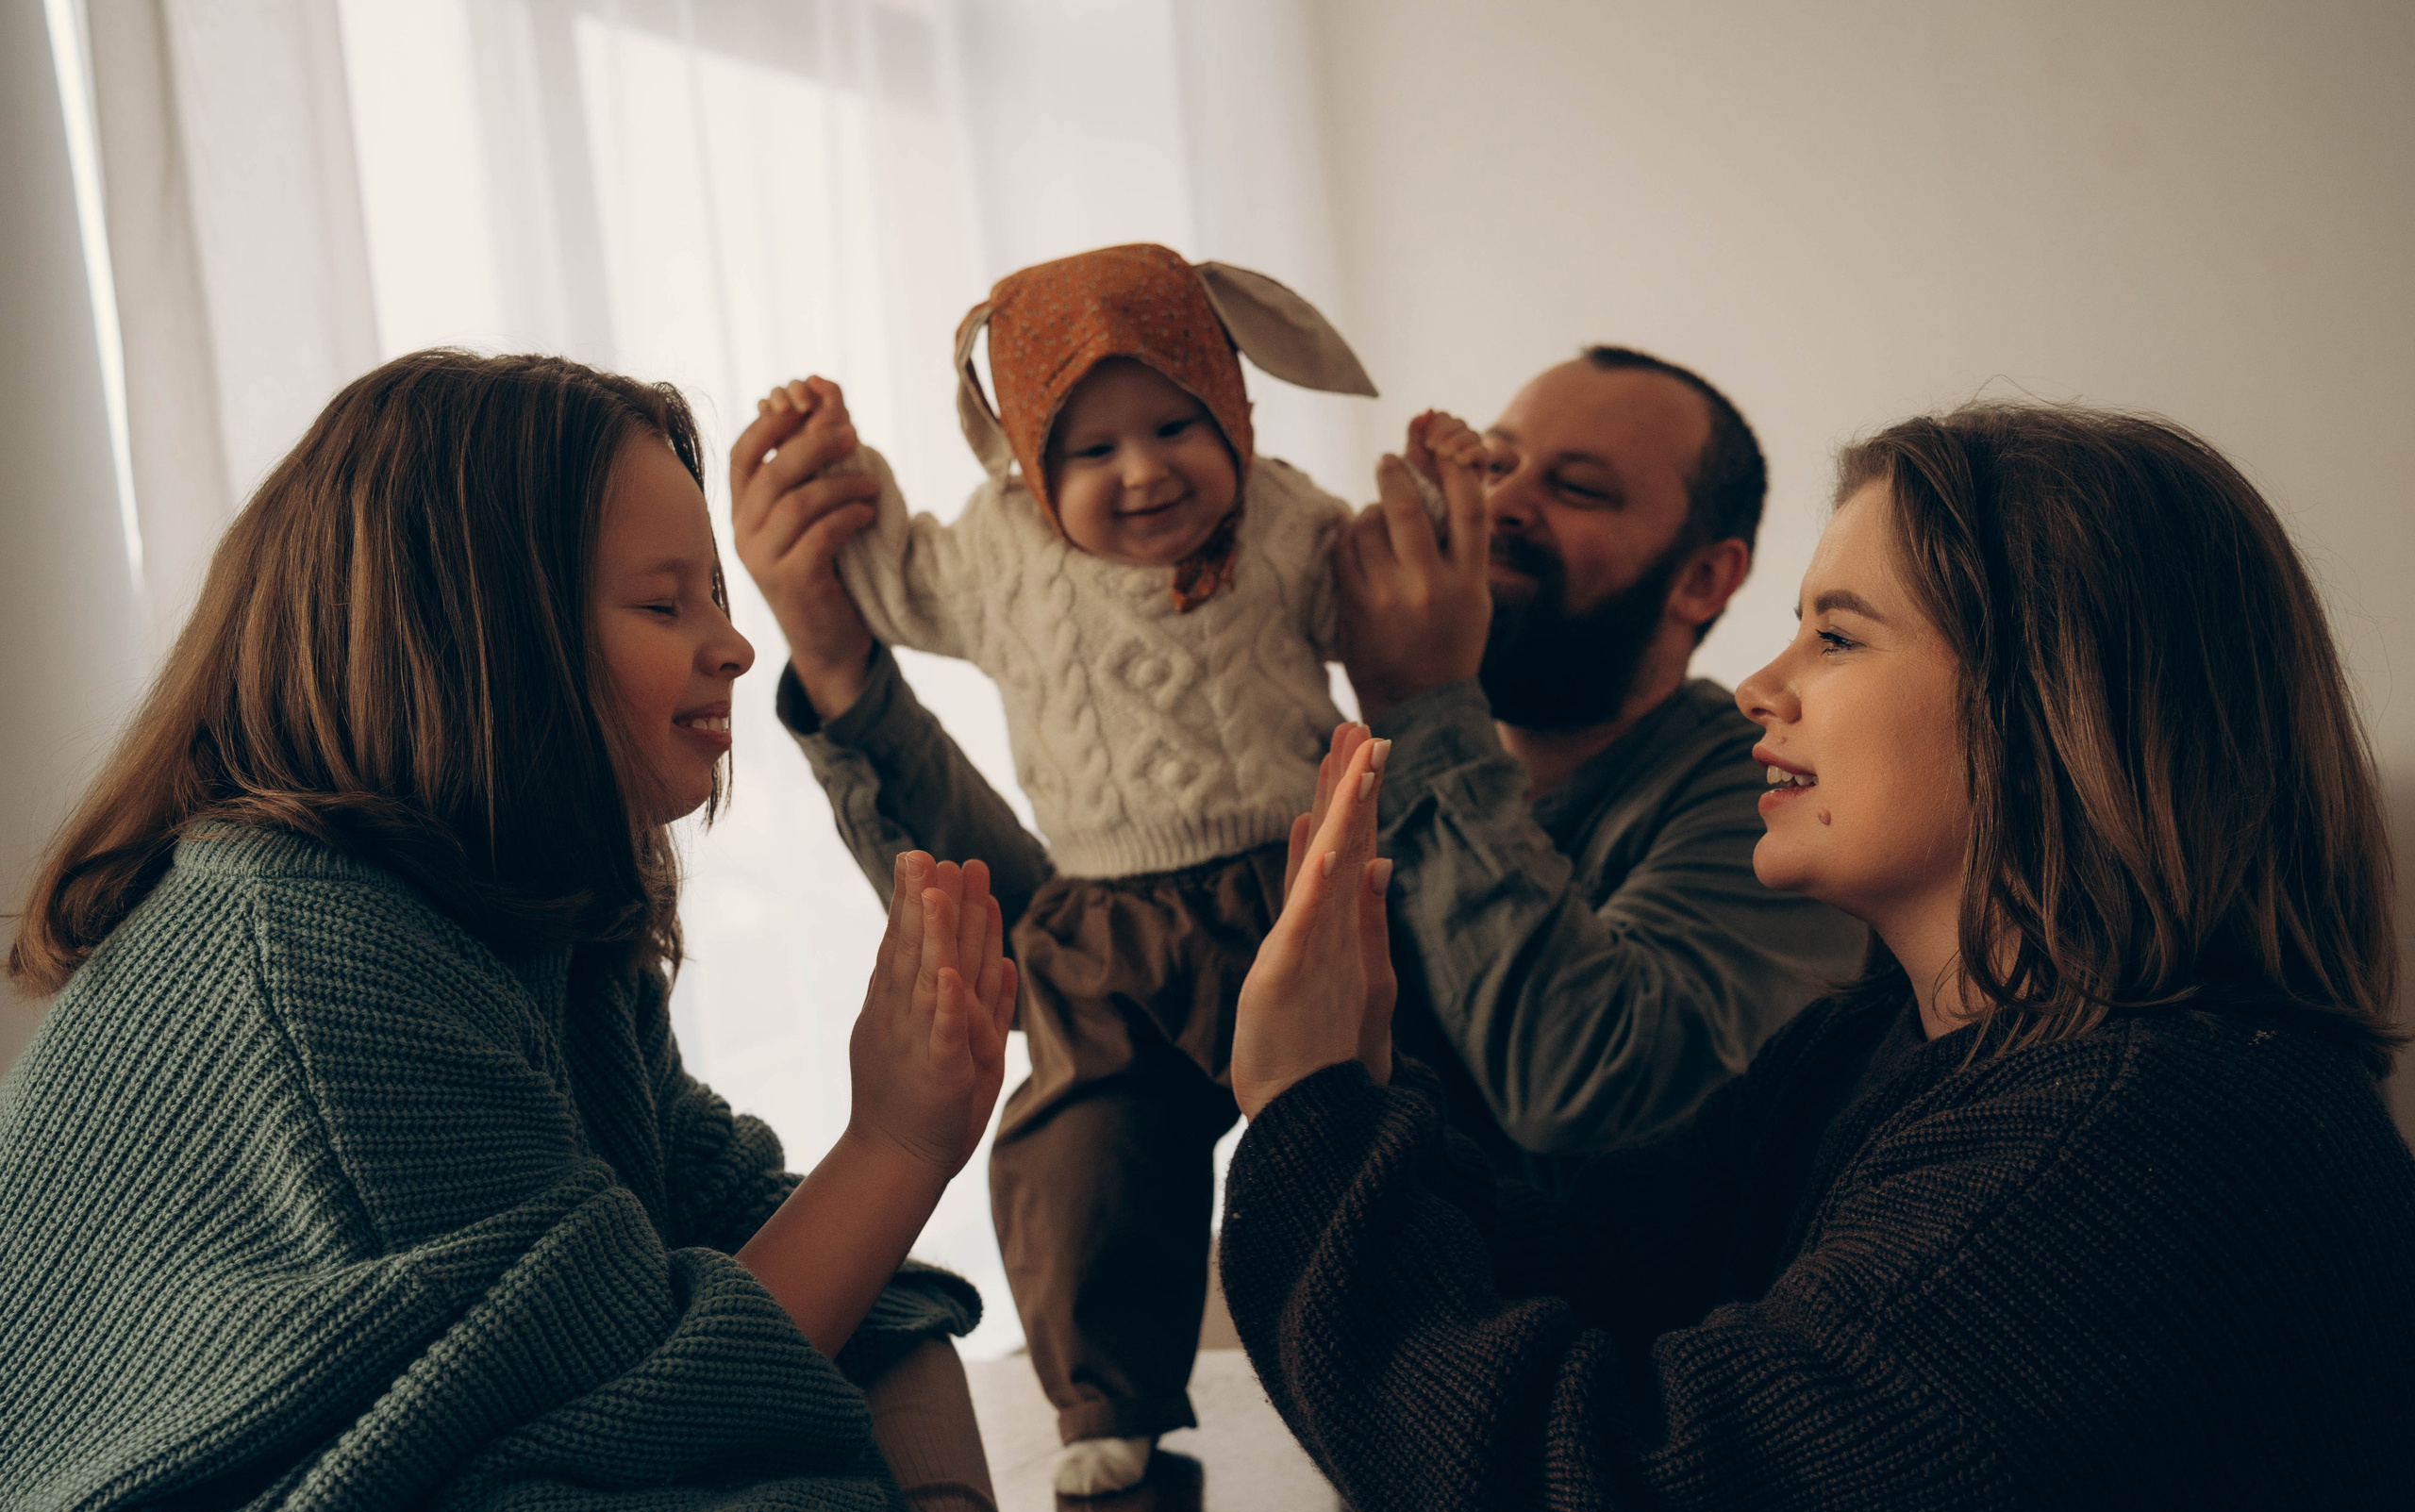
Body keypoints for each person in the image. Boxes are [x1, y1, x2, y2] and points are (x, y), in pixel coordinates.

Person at [1219, 402, 2415, 1512]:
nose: (1756, 685)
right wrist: (1351, 1083)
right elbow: (1585, 1269)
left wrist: (1311, 1110)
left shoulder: (2145, 1145)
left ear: (2054, 691)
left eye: (1836, 637)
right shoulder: (1878, 1045)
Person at [0, 351, 1047, 1512]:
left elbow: (723, 1228)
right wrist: (894, 1138)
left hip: (472, 1438)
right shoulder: (316, 946)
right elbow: (638, 1392)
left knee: (885, 1304)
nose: (731, 643)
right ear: (483, 636)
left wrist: (881, 1172)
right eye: (667, 606)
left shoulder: (533, 918)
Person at [742, 343, 1863, 1198]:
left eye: (1576, 489)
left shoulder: (1766, 794)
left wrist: (1422, 705)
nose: (1501, 501)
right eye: (1497, 459)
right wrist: (845, 672)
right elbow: (1083, 972)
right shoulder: (1353, 784)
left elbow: (1583, 1085)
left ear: (1705, 579)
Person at [733, 242, 1424, 1497]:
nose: (1146, 470)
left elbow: (1391, 610)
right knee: (1081, 1150)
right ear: (1021, 458)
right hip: (1104, 925)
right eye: (1091, 450)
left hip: (1295, 894)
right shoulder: (1000, 553)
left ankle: (1410, 1365)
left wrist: (1433, 533)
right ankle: (1111, 1392)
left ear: (1240, 410)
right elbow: (887, 579)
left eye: (1176, 425)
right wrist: (840, 474)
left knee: (1374, 1121)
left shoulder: (1287, 518)